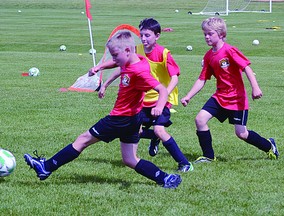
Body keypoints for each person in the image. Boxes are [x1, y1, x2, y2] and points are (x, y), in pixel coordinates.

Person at [24, 31, 182, 189]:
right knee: (130, 159)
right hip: (133, 118)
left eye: (115, 55)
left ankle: (46, 167)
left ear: (128, 50)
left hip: (119, 119)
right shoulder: (137, 59)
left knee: (83, 140)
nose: (113, 59)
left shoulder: (138, 71)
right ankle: (165, 178)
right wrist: (99, 67)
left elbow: (161, 89)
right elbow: (118, 64)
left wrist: (160, 106)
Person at [97, 18, 192, 172]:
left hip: (161, 100)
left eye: (147, 35)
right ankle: (154, 138)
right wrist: (105, 84)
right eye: (141, 35)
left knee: (159, 130)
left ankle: (184, 163)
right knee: (137, 131)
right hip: (141, 102)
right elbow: (121, 67)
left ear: (157, 36)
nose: (143, 38)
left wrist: (164, 95)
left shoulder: (163, 53)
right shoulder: (136, 50)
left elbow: (174, 77)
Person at [181, 17, 279, 163]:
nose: (206, 37)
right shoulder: (208, 56)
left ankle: (269, 146)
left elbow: (246, 67)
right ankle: (208, 156)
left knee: (241, 133)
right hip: (220, 97)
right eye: (205, 34)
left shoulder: (229, 50)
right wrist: (188, 96)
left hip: (236, 99)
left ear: (221, 34)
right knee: (200, 119)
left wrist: (255, 87)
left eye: (210, 34)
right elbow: (202, 79)